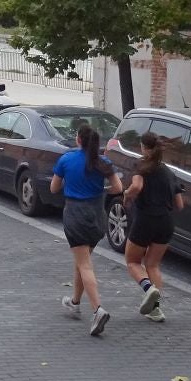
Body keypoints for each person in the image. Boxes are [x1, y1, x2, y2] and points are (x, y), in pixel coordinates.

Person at [51, 122, 118, 337]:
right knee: (82, 261)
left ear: (78, 139)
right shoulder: (103, 162)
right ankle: (74, 302)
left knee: (85, 264)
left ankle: (98, 310)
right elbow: (118, 188)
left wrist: (70, 182)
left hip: (75, 215)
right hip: (97, 216)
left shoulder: (66, 159)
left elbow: (54, 188)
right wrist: (101, 188)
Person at [121, 132, 182, 322]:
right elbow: (180, 204)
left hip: (146, 220)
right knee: (153, 264)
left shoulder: (141, 166)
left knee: (132, 262)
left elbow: (137, 187)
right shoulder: (169, 173)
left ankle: (149, 288)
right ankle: (155, 310)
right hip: (166, 222)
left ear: (143, 147)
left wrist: (127, 195)